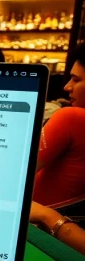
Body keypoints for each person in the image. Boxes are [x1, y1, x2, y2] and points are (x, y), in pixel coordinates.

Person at [33, 46, 85, 207]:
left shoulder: (70, 117)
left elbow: (17, 172)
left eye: (76, 79)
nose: (67, 87)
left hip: (36, 223)